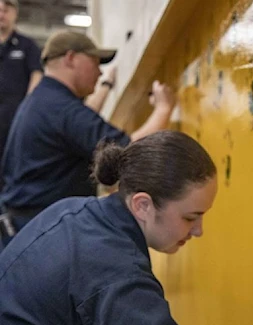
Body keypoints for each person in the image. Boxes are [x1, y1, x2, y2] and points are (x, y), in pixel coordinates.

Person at [0, 130, 253, 325]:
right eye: (190, 217)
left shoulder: (72, 211)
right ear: (142, 204)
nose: (198, 231)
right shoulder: (115, 274)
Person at [0, 30, 176, 244]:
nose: (100, 72)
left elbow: (81, 125)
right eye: (95, 62)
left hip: (24, 228)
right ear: (71, 58)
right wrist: (164, 108)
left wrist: (107, 87)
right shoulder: (61, 109)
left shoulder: (44, 100)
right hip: (40, 233)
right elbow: (131, 151)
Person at [0, 0, 42, 189]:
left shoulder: (27, 46)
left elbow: (37, 75)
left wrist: (27, 109)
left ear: (15, 13)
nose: (2, 14)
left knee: (14, 170)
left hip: (15, 122)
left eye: (6, 9)